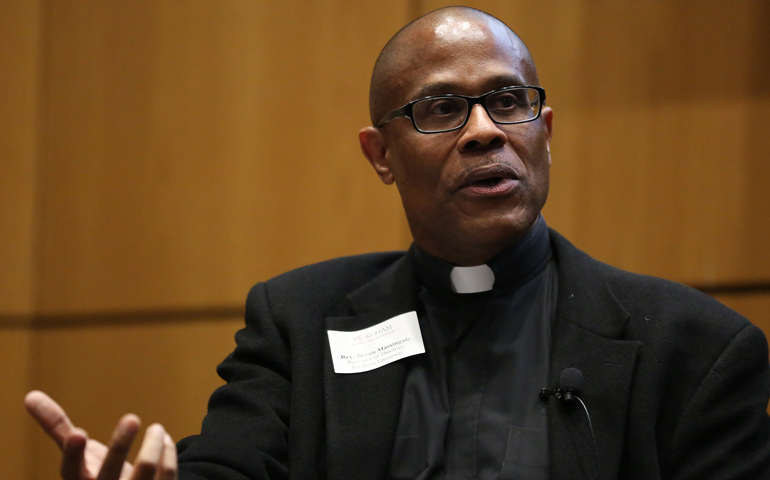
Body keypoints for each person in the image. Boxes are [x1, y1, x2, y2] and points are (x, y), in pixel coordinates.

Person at [25, 6, 770, 480]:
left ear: (545, 134)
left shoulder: (697, 350)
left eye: (509, 101)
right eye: (441, 108)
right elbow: (231, 465)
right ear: (380, 156)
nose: (484, 131)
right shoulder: (298, 324)